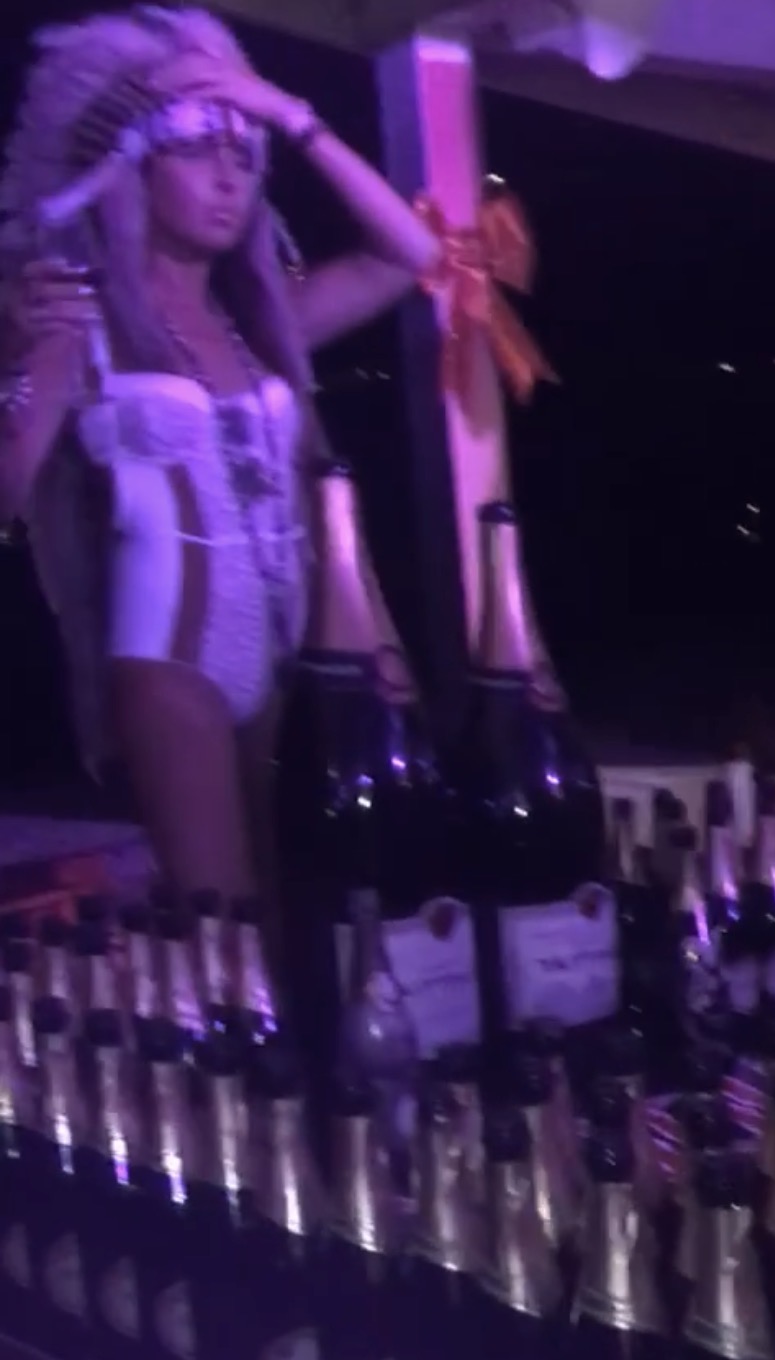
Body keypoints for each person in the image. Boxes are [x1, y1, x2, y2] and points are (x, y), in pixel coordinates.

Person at [0, 5, 440, 899]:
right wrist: (19, 364)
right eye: (199, 147)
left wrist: (290, 115)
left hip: (295, 652)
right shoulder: (76, 323)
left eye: (245, 153)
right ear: (129, 162)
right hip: (169, 662)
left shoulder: (261, 325)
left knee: (320, 905)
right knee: (224, 923)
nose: (229, 176)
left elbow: (410, 252)